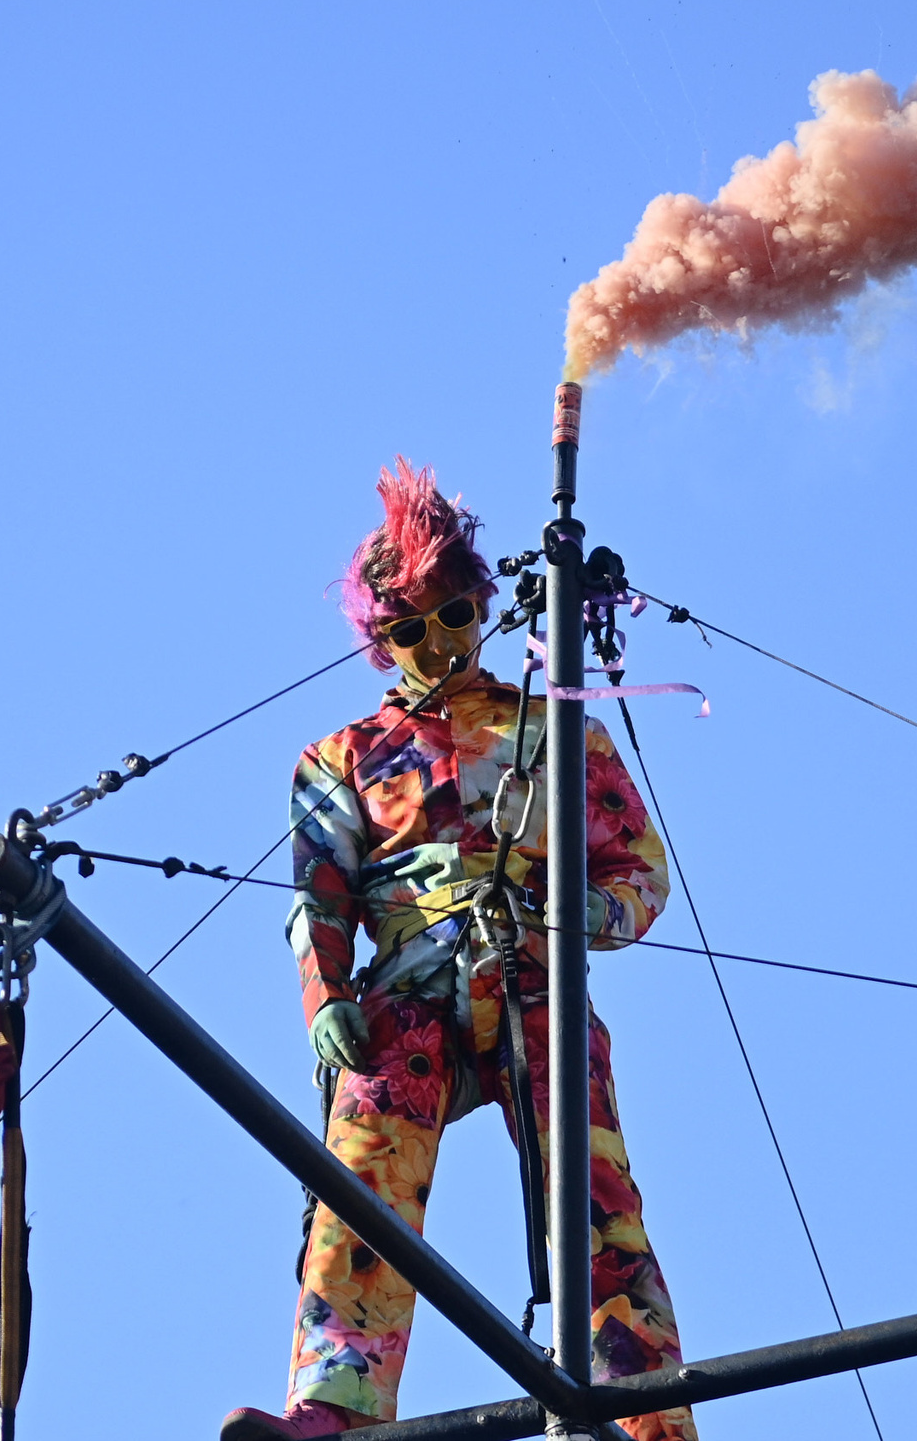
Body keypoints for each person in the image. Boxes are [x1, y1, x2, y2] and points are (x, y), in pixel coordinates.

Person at [220, 460, 697, 1441]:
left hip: (532, 976)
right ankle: (336, 1405)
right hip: (405, 992)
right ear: (380, 641)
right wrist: (326, 999)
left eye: (452, 617)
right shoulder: (341, 760)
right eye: (409, 629)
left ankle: (646, 1413)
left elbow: (640, 866)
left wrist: (585, 916)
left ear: (480, 607)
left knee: (592, 1193)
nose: (435, 644)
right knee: (360, 1180)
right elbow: (318, 898)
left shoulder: (553, 730)